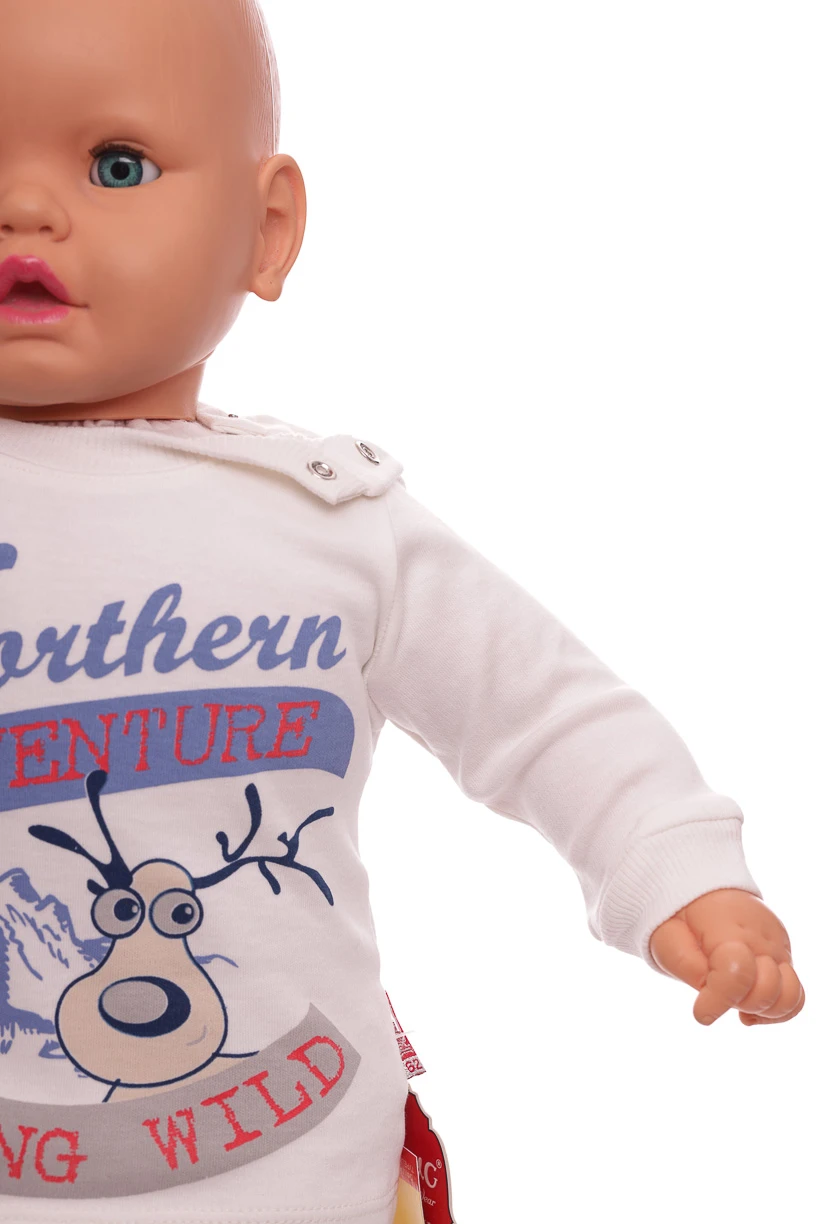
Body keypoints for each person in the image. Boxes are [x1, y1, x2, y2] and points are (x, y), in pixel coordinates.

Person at [0, 1, 803, 1222]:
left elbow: (547, 713)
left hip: (301, 1172)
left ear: (266, 233)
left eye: (117, 166)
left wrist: (681, 871)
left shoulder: (330, 519)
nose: (24, 209)